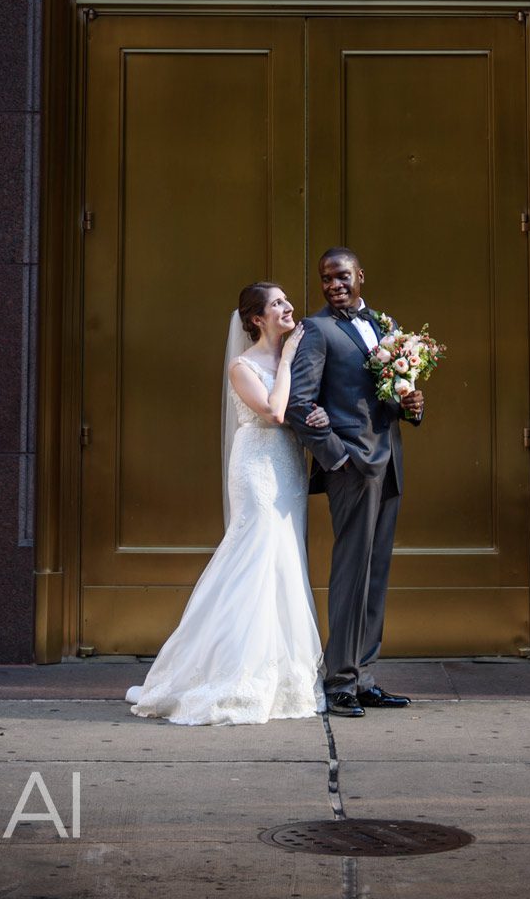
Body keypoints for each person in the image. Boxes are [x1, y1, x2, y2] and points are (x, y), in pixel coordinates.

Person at [124, 282, 330, 725]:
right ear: (257, 319)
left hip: (289, 467)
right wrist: (290, 362)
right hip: (257, 466)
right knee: (253, 557)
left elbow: (305, 408)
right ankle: (227, 673)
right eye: (277, 303)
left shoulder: (294, 357)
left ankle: (283, 676)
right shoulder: (244, 366)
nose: (288, 306)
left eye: (286, 299)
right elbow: (273, 414)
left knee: (283, 561)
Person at [286, 247, 424, 718]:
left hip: (390, 464)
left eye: (341, 276)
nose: (333, 285)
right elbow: (299, 404)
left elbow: (388, 393)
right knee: (350, 573)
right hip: (352, 467)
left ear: (360, 276)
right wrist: (336, 458)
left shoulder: (384, 327)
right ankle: (339, 681)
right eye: (326, 278)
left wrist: (412, 405)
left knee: (377, 573)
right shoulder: (316, 331)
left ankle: (365, 677)